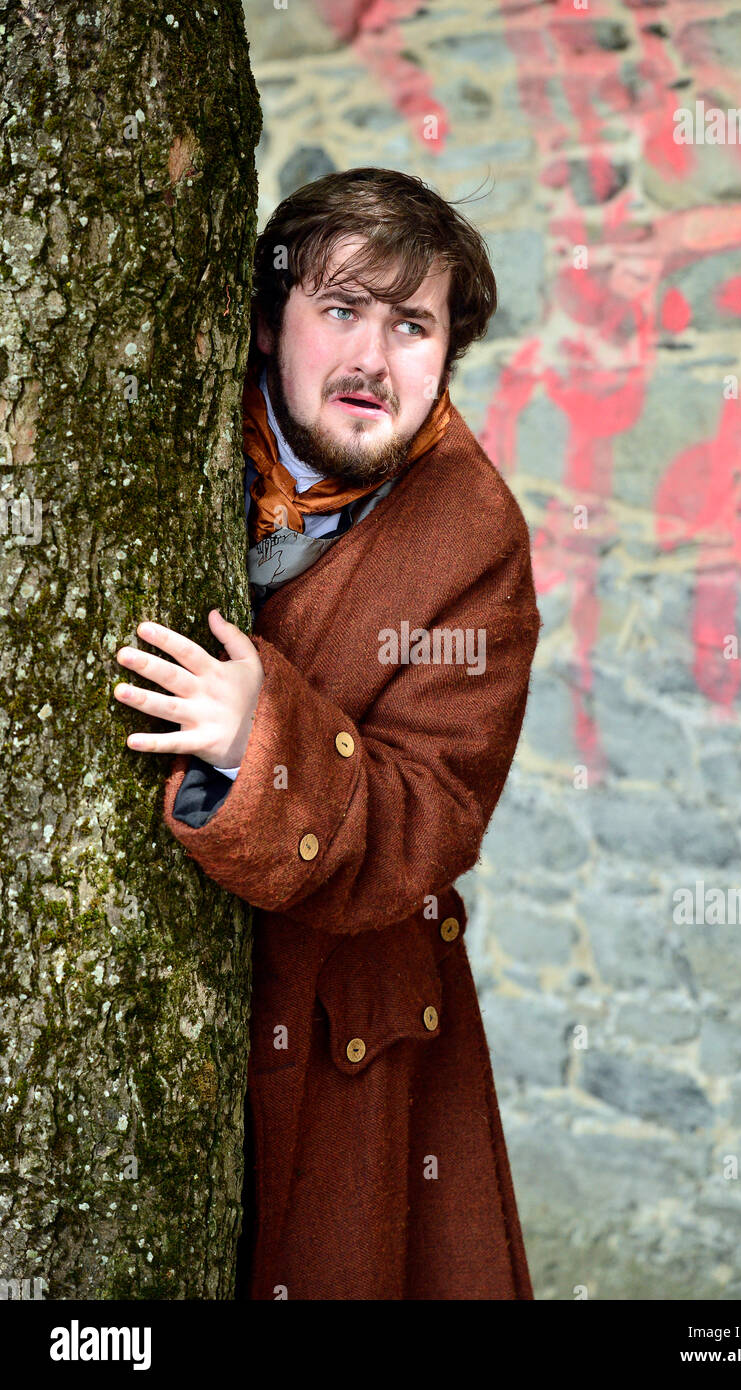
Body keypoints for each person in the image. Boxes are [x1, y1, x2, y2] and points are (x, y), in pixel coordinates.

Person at [113, 167, 541, 1300]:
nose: (373, 359)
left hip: (344, 1030)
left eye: (413, 326)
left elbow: (433, 815)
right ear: (266, 322)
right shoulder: (152, 426)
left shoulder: (474, 533)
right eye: (341, 309)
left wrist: (266, 736)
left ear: (446, 355)